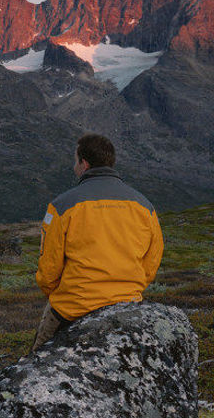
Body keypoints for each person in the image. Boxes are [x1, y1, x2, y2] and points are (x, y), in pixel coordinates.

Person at [32, 134, 164, 351]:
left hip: (73, 307)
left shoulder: (61, 206)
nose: (74, 166)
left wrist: (62, 294)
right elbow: (151, 261)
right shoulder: (144, 206)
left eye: (75, 161)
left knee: (35, 362)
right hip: (128, 303)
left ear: (84, 164)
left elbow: (48, 271)